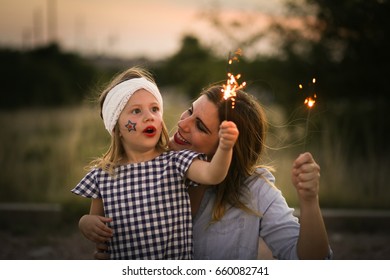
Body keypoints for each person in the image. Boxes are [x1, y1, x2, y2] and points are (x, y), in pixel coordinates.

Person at [80, 84, 331, 260]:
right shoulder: (147, 170)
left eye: (199, 126)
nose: (182, 123)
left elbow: (309, 261)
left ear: (229, 145)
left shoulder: (255, 190)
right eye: (190, 110)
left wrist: (309, 201)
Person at [72, 68, 238, 260]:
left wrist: (225, 147)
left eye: (154, 109)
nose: (149, 116)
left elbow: (212, 174)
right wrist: (85, 222)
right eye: (136, 111)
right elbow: (96, 219)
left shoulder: (176, 162)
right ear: (117, 128)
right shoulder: (103, 176)